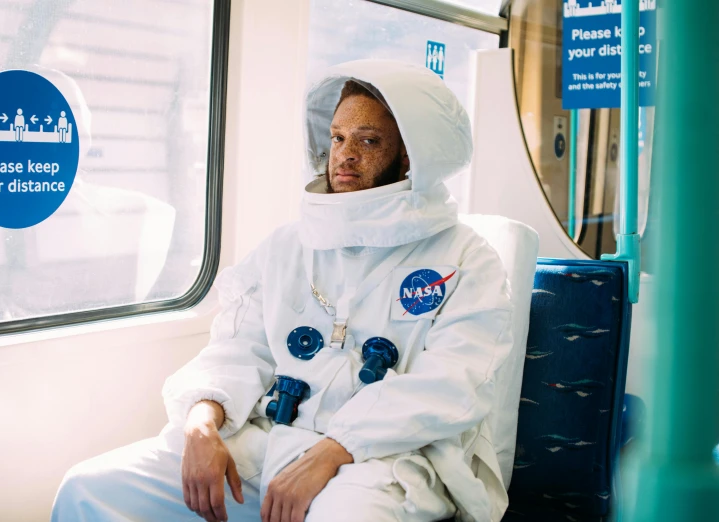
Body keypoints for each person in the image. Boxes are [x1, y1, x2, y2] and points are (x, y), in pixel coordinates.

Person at [51, 59, 513, 522]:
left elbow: (451, 386)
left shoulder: (465, 259)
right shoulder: (289, 245)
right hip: (270, 441)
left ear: (411, 156)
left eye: (368, 140)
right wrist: (202, 422)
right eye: (337, 137)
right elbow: (239, 347)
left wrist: (336, 448)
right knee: (91, 488)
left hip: (385, 461)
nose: (345, 154)